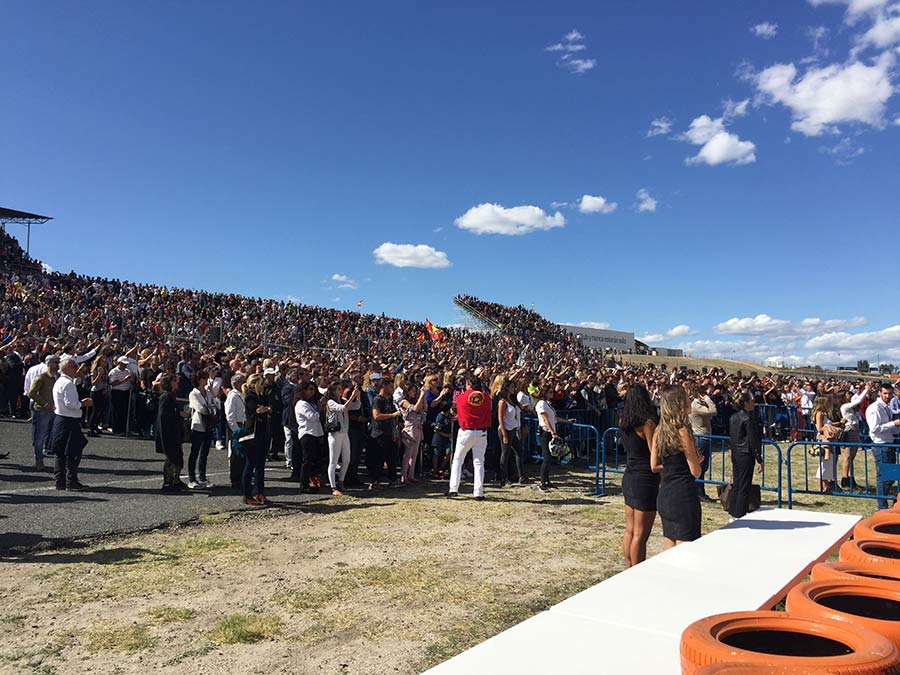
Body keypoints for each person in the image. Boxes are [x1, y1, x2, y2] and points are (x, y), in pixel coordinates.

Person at [651, 385, 703, 548]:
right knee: (685, 550)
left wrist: (675, 466)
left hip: (665, 493)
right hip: (683, 495)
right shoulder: (682, 432)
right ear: (680, 403)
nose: (690, 401)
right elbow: (695, 472)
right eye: (687, 398)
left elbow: (654, 465)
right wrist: (695, 461)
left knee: (670, 544)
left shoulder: (659, 430)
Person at [619, 383, 659, 567]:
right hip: (645, 479)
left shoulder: (624, 421)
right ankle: (636, 570)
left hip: (630, 474)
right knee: (641, 534)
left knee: (630, 529)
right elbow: (654, 452)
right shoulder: (647, 423)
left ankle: (629, 566)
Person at [49, 357, 93, 490]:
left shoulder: (59, 381)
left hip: (61, 419)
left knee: (60, 452)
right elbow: (71, 404)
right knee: (73, 451)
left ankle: (60, 481)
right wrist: (83, 403)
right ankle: (71, 480)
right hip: (69, 420)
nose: (77, 369)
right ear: (66, 368)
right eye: (74, 367)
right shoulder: (68, 384)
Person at [447, 374, 492, 500]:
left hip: (466, 431)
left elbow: (455, 409)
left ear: (469, 384)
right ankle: (478, 492)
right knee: (479, 462)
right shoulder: (486, 398)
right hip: (482, 432)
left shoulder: (462, 397)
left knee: (457, 460)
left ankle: (453, 489)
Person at [865, 383, 900, 510]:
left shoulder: (886, 407)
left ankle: (885, 503)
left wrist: (895, 428)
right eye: (885, 393)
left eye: (890, 394)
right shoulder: (874, 408)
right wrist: (893, 424)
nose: (887, 396)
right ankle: (881, 505)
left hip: (889, 442)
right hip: (880, 444)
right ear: (879, 393)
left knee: (891, 476)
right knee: (884, 477)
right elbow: (874, 429)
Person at [728, 393, 763, 519]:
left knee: (737, 483)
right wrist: (759, 458)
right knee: (744, 485)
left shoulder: (733, 417)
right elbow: (753, 440)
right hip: (746, 453)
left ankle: (733, 511)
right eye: (751, 401)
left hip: (736, 453)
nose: (753, 403)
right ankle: (739, 514)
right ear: (746, 403)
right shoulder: (747, 419)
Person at [535, 385, 575, 493]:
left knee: (550, 458)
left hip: (550, 431)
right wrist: (553, 432)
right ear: (545, 393)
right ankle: (542, 482)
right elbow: (545, 419)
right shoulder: (541, 404)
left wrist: (567, 421)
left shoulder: (548, 404)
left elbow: (554, 418)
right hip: (545, 432)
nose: (552, 394)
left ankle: (547, 481)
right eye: (550, 392)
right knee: (546, 457)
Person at [325, 380, 361, 495]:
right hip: (335, 433)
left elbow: (356, 406)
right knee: (333, 461)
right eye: (338, 389)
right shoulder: (330, 402)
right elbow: (343, 408)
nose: (341, 391)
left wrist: (357, 396)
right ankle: (333, 486)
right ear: (333, 391)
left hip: (344, 432)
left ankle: (341, 481)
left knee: (347, 459)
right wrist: (351, 398)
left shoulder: (343, 400)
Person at [155, 374, 188, 491]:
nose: (177, 382)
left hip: (174, 430)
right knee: (171, 457)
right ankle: (168, 482)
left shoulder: (172, 395)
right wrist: (178, 414)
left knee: (178, 456)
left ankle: (176, 479)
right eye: (174, 381)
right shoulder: (166, 396)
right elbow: (164, 415)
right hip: (168, 432)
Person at [27, 354, 60, 470]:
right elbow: (31, 393)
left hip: (54, 410)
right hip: (42, 411)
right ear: (49, 363)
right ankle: (39, 460)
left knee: (50, 435)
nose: (58, 365)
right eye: (56, 362)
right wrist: (45, 404)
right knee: (39, 436)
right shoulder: (41, 377)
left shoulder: (58, 377)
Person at [241, 373, 269, 505]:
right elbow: (257, 410)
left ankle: (259, 491)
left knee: (260, 465)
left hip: (263, 432)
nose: (264, 386)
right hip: (252, 433)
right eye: (262, 384)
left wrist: (267, 409)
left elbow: (270, 408)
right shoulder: (250, 397)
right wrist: (264, 409)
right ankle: (246, 494)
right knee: (250, 463)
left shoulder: (261, 396)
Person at [370, 376, 401, 488]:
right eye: (390, 386)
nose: (392, 388)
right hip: (379, 433)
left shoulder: (389, 400)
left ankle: (393, 480)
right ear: (384, 386)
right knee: (378, 459)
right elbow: (376, 415)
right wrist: (392, 415)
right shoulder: (378, 400)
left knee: (391, 458)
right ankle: (375, 481)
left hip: (389, 433)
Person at [295, 380, 325, 493]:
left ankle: (313, 480)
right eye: (310, 390)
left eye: (313, 390)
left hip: (316, 433)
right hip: (307, 434)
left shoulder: (311, 403)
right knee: (307, 460)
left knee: (315, 459)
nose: (312, 392)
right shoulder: (301, 404)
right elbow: (312, 417)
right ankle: (304, 484)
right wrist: (319, 408)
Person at [689, 385, 717, 502]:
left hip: (704, 437)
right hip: (701, 437)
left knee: (704, 466)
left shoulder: (698, 405)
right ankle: (699, 493)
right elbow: (713, 411)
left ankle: (700, 491)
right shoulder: (696, 405)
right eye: (704, 394)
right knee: (701, 466)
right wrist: (707, 399)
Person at [187, 369, 215, 489]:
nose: (206, 380)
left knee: (205, 453)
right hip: (199, 425)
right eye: (204, 378)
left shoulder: (208, 392)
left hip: (208, 425)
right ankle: (192, 478)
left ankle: (202, 477)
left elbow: (216, 403)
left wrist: (211, 407)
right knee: (195, 452)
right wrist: (210, 408)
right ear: (198, 381)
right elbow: (200, 408)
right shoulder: (193, 394)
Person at [497, 379, 525, 487]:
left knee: (519, 451)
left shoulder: (511, 401)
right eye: (512, 387)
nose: (514, 389)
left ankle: (521, 475)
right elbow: (500, 418)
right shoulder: (502, 402)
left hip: (513, 428)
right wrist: (504, 434)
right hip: (506, 429)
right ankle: (504, 479)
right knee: (505, 454)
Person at [839, 384, 868, 491]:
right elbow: (858, 401)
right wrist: (866, 390)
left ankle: (851, 478)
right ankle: (845, 478)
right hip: (850, 430)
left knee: (852, 457)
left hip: (855, 429)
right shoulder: (844, 406)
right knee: (848, 456)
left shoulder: (850, 408)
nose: (850, 395)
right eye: (847, 394)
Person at [811, 394, 839, 494]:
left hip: (829, 440)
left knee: (828, 463)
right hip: (824, 440)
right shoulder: (819, 414)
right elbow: (820, 428)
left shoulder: (825, 413)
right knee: (824, 463)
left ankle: (826, 485)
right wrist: (829, 428)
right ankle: (821, 486)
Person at [224, 372, 247, 490]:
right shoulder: (232, 396)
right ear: (237, 383)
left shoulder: (240, 394)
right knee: (236, 454)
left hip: (243, 424)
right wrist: (236, 430)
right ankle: (236, 479)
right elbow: (230, 415)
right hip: (237, 425)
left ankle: (242, 477)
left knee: (243, 454)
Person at [108, 356, 134, 435]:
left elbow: (132, 381)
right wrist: (124, 380)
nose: (125, 366)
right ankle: (116, 429)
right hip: (117, 392)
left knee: (124, 411)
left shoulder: (128, 371)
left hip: (126, 392)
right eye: (123, 364)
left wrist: (131, 380)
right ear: (119, 363)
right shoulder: (114, 372)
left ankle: (123, 428)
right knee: (116, 411)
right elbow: (112, 383)